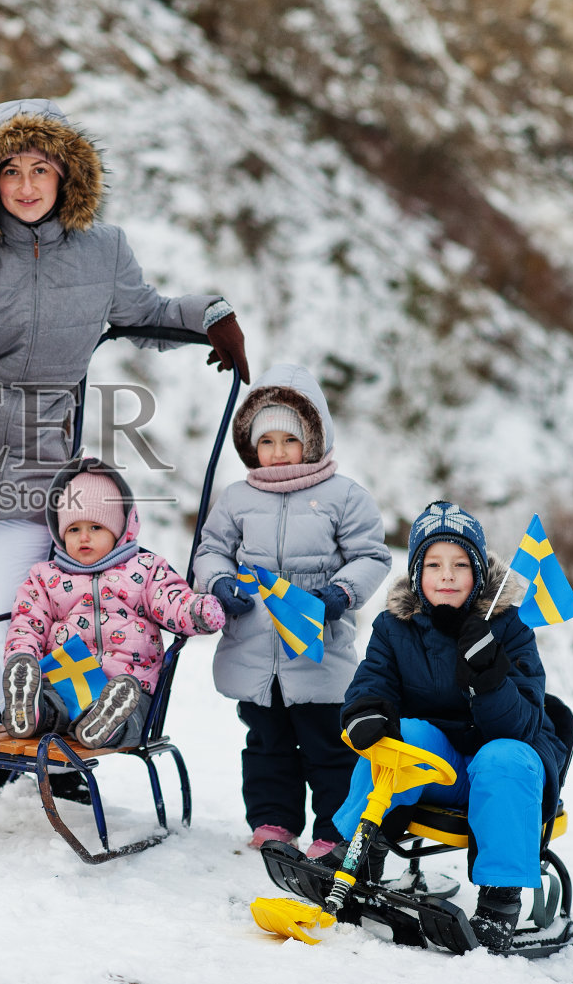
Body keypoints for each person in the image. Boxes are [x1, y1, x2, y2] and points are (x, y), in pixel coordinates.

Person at [0, 98, 251, 787]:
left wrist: (209, 316)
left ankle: (35, 734)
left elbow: (143, 313)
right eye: (11, 170)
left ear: (68, 175)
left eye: (42, 168)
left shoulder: (104, 247)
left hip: (40, 467)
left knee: (21, 612)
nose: (27, 185)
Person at [331, 500, 570, 953]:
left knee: (505, 757)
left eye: (460, 564)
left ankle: (499, 902)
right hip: (437, 771)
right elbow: (372, 681)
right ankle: (357, 855)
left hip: (500, 767)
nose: (446, 576)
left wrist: (489, 677)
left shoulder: (510, 627)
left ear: (478, 574)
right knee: (406, 734)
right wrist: (366, 712)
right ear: (417, 573)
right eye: (434, 564)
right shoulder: (394, 627)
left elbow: (523, 724)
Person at [192, 362, 391, 857]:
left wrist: (340, 594)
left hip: (317, 643)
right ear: (251, 447)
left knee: (329, 747)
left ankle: (332, 831)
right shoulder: (238, 497)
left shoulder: (343, 496)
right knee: (266, 744)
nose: (278, 453)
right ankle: (274, 824)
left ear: (314, 439)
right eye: (267, 442)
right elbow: (210, 548)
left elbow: (371, 555)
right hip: (256, 645)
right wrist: (218, 582)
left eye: (289, 440)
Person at [2, 459, 225, 767]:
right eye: (74, 528)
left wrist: (197, 610)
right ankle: (31, 710)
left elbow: (172, 601)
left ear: (120, 528)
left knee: (131, 717)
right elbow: (27, 623)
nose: (84, 537)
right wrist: (21, 656)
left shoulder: (145, 571)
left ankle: (108, 722)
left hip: (130, 687)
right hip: (70, 682)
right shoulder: (46, 577)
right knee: (55, 703)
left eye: (96, 527)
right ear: (59, 532)